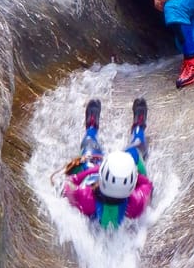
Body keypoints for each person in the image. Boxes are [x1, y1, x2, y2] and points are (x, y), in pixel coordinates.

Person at [61, 98, 153, 229]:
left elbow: (69, 183)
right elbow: (147, 184)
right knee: (136, 150)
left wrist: (95, 170)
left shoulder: (86, 198)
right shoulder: (136, 204)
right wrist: (133, 174)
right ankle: (138, 127)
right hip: (120, 181)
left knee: (89, 144)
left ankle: (91, 127)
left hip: (94, 175)